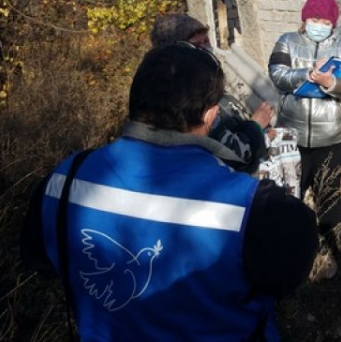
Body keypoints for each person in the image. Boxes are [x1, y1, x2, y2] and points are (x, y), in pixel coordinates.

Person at [21, 44, 319, 341]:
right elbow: (287, 280)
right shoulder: (260, 209)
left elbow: (41, 260)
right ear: (211, 116)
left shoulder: (63, 180)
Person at [268, 0, 341, 280]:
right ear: (305, 19)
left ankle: (330, 252)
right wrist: (305, 74)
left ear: (333, 23)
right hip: (292, 134)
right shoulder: (288, 41)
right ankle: (294, 253)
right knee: (290, 194)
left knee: (328, 195)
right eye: (314, 19)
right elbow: (276, 73)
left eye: (325, 21)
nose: (319, 25)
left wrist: (332, 82)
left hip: (333, 134)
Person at [150, 13, 275, 173]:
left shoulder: (205, 81)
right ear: (178, 52)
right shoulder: (185, 100)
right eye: (197, 44)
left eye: (206, 41)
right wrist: (256, 127)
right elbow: (231, 157)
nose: (206, 48)